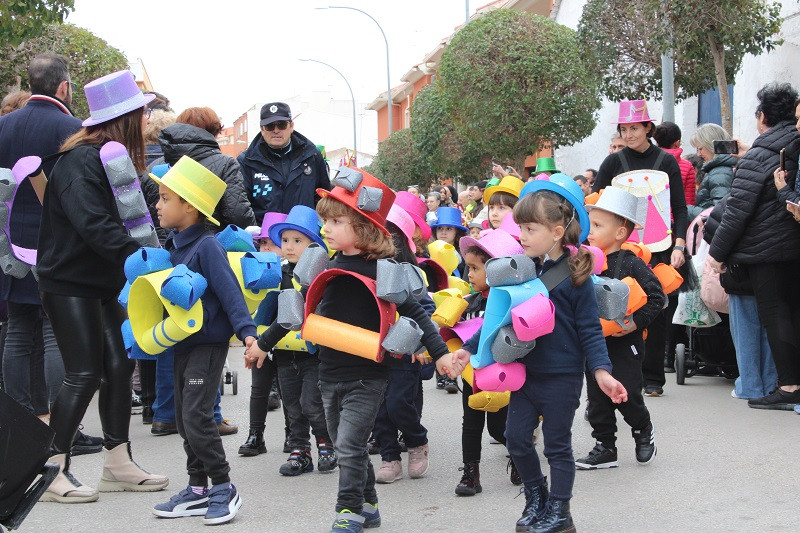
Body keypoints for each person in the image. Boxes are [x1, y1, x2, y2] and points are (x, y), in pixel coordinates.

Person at [244, 168, 463, 532]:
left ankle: (347, 511)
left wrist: (440, 354)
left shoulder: (384, 270)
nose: (326, 228)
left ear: (363, 226)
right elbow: (295, 309)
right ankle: (369, 504)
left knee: (347, 446)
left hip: (368, 377)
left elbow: (416, 313)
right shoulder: (324, 267)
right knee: (351, 447)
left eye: (335, 220)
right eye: (324, 220)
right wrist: (263, 346)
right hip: (328, 375)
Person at [455, 175, 627, 532]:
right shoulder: (524, 271)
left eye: (531, 229)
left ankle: (560, 512)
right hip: (524, 373)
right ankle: (537, 497)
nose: (523, 236)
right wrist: (469, 350)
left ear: (558, 231)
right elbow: (499, 320)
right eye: (522, 228)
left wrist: (601, 371)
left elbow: (590, 331)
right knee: (515, 439)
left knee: (557, 447)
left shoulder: (576, 277)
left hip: (561, 378)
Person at [37, 70, 168, 503]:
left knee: (116, 367)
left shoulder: (110, 159)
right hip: (68, 282)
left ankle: (117, 463)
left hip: (100, 281)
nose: (147, 120)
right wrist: (140, 258)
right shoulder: (79, 162)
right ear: (125, 117)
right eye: (142, 113)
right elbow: (94, 224)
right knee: (84, 372)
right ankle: (50, 469)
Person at [0, 53, 103, 455]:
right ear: (64, 88)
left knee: (20, 331)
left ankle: (21, 425)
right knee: (54, 332)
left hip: (9, 243)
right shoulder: (71, 128)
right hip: (56, 245)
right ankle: (64, 430)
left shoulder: (4, 125)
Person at [149, 156, 255, 525]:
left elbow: (230, 294)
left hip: (208, 346)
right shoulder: (173, 246)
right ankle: (197, 488)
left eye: (164, 198)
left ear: (189, 206)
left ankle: (223, 486)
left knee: (196, 415)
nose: (157, 205)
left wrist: (248, 334)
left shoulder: (207, 246)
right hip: (181, 345)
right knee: (182, 417)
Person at [709, 83, 800, 410]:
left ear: (762, 117)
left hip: (767, 253)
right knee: (793, 313)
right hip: (794, 245)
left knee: (776, 316)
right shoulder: (793, 146)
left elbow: (736, 212)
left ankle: (789, 387)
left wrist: (716, 253)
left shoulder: (759, 156)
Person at [593, 99, 688, 397]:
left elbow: (680, 209)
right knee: (613, 309)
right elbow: (597, 203)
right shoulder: (612, 163)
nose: (629, 133)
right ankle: (611, 374)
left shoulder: (667, 162)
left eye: (635, 127)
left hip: (659, 248)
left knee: (656, 308)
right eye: (624, 128)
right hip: (619, 249)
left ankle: (654, 378)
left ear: (649, 127)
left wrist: (680, 244)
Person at [243, 205, 337, 476]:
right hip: (284, 353)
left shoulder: (321, 277)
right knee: (293, 406)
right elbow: (267, 311)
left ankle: (325, 444)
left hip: (313, 354)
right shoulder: (278, 274)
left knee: (312, 403)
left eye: (298, 241)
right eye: (285, 241)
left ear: (314, 246)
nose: (289, 247)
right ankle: (300, 451)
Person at [577, 188, 665, 470]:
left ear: (619, 232)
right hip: (594, 344)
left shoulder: (631, 262)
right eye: (590, 224)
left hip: (625, 343)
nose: (590, 230)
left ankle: (643, 429)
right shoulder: (584, 262)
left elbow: (657, 298)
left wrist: (635, 324)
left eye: (598, 225)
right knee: (597, 399)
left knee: (627, 393)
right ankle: (605, 446)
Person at [453, 228, 523, 496]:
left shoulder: (510, 300)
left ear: (495, 270)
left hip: (504, 375)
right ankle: (471, 473)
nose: (468, 274)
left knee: (499, 426)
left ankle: (519, 456)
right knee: (470, 422)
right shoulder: (467, 303)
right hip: (473, 375)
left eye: (474, 268)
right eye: (467, 267)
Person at [373, 205, 434, 485]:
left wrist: (423, 345)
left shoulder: (410, 272)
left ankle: (416, 441)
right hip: (372, 351)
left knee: (398, 403)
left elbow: (426, 310)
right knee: (377, 409)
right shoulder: (366, 268)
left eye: (391, 235)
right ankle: (389, 457)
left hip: (405, 352)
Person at [144, 106, 256, 235]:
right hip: (209, 245)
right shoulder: (225, 164)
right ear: (213, 132)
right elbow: (238, 215)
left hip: (159, 248)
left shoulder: (153, 168)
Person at [238, 212, 286, 457]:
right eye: (262, 243)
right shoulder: (252, 269)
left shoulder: (292, 273)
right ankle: (255, 435)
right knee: (259, 389)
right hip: (259, 339)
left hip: (288, 340)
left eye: (272, 243)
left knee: (290, 391)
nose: (266, 247)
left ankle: (293, 436)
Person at [237, 102, 331, 222]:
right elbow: (241, 206)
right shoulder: (246, 162)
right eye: (270, 126)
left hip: (304, 236)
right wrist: (259, 236)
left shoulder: (312, 156)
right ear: (262, 129)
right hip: (265, 238)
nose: (276, 130)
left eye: (281, 125)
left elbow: (324, 198)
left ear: (291, 126)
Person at [688, 123, 736, 219]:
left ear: (711, 146)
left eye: (700, 149)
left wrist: (686, 210)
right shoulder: (722, 169)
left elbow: (720, 213)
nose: (698, 154)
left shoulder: (720, 173)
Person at [654, 121, 697, 206]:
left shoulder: (648, 161)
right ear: (677, 143)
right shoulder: (687, 166)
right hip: (676, 216)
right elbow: (689, 201)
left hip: (653, 215)